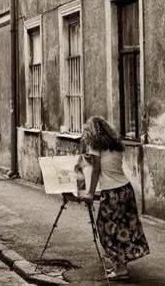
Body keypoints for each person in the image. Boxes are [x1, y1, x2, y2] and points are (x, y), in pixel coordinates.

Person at [79, 116, 149, 281]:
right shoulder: (115, 145)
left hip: (112, 193)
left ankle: (121, 268)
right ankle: (121, 264)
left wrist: (89, 193)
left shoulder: (95, 145)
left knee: (106, 229)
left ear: (92, 132)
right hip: (126, 190)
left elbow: (96, 170)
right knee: (125, 227)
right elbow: (108, 166)